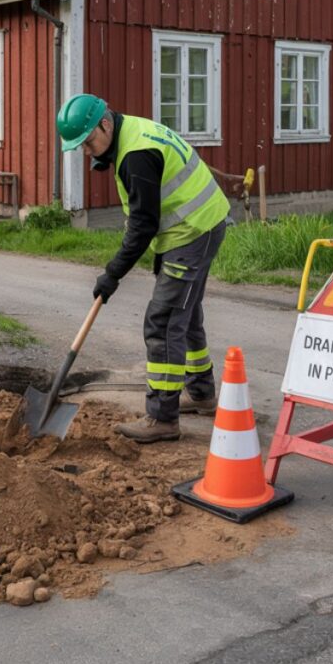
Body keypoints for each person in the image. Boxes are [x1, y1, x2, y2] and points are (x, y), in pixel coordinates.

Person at [56, 93, 231, 443]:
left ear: (105, 124)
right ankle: (201, 393)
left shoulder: (136, 156)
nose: (87, 152)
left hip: (192, 230)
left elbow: (143, 226)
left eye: (88, 142)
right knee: (185, 312)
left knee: (163, 320)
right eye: (81, 147)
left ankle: (162, 417)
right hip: (201, 222)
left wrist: (112, 274)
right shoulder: (131, 132)